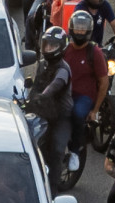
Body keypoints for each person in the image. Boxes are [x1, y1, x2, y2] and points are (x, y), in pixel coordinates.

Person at [24, 26, 75, 166]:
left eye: (52, 46)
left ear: (61, 47)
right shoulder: (42, 64)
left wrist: (43, 96)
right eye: (47, 45)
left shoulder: (63, 70)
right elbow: (35, 86)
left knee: (56, 150)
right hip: (42, 111)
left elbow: (55, 85)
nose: (48, 48)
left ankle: (53, 186)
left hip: (60, 116)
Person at [64, 9, 110, 159]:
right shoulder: (64, 49)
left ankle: (75, 150)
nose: (80, 31)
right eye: (77, 27)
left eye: (83, 28)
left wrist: (95, 110)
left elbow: (104, 82)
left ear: (89, 30)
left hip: (84, 97)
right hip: (64, 94)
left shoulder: (94, 52)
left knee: (77, 114)